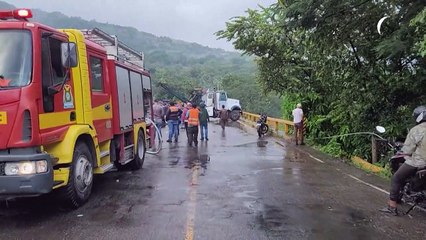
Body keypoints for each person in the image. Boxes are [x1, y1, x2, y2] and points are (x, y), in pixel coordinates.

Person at [380, 105, 426, 216]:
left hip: (419, 162)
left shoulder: (417, 130)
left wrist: (401, 149)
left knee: (396, 178)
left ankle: (392, 207)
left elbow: (408, 149)